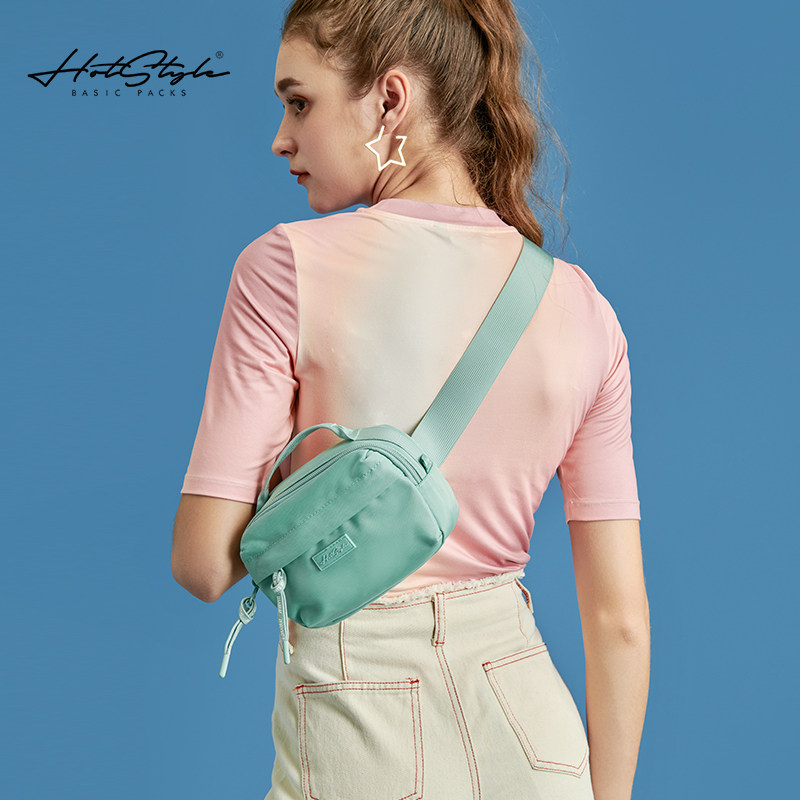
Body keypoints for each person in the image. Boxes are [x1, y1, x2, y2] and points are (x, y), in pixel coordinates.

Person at [171, 1, 650, 798]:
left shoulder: (284, 269)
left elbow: (202, 563)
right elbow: (619, 622)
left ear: (390, 99)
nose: (282, 138)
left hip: (361, 726)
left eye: (300, 102)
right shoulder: (584, 309)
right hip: (535, 733)